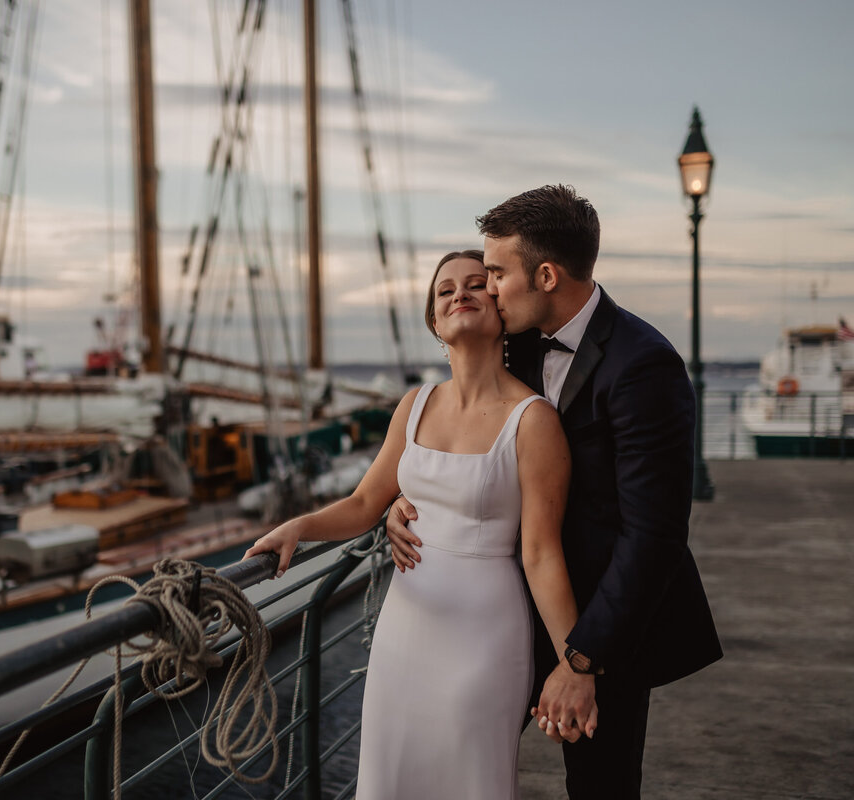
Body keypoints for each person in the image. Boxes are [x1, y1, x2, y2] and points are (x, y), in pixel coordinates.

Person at [387, 185, 723, 799]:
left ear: (545, 274)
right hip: (502, 615)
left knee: (600, 786)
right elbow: (464, 437)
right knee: (448, 771)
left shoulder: (643, 364)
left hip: (603, 621)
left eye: (496, 272)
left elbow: (654, 536)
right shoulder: (512, 339)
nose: (486, 288)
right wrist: (408, 501)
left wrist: (583, 659)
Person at [245, 250, 587, 798]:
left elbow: (541, 554)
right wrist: (298, 527)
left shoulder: (533, 420)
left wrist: (576, 664)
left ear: (500, 310)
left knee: (468, 777)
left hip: (486, 636)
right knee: (392, 776)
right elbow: (362, 503)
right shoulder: (415, 404)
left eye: (478, 284)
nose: (460, 294)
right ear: (434, 321)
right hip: (404, 629)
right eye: (445, 290)